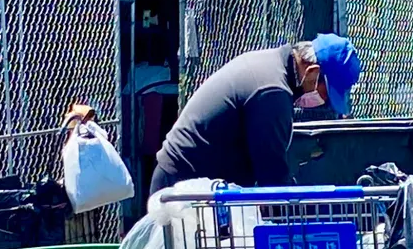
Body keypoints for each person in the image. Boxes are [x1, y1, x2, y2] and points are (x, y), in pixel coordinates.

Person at [150, 34, 362, 196]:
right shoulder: (272, 91)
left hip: (191, 183)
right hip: (184, 188)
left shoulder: (272, 64)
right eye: (327, 93)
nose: (323, 101)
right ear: (313, 72)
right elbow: (272, 179)